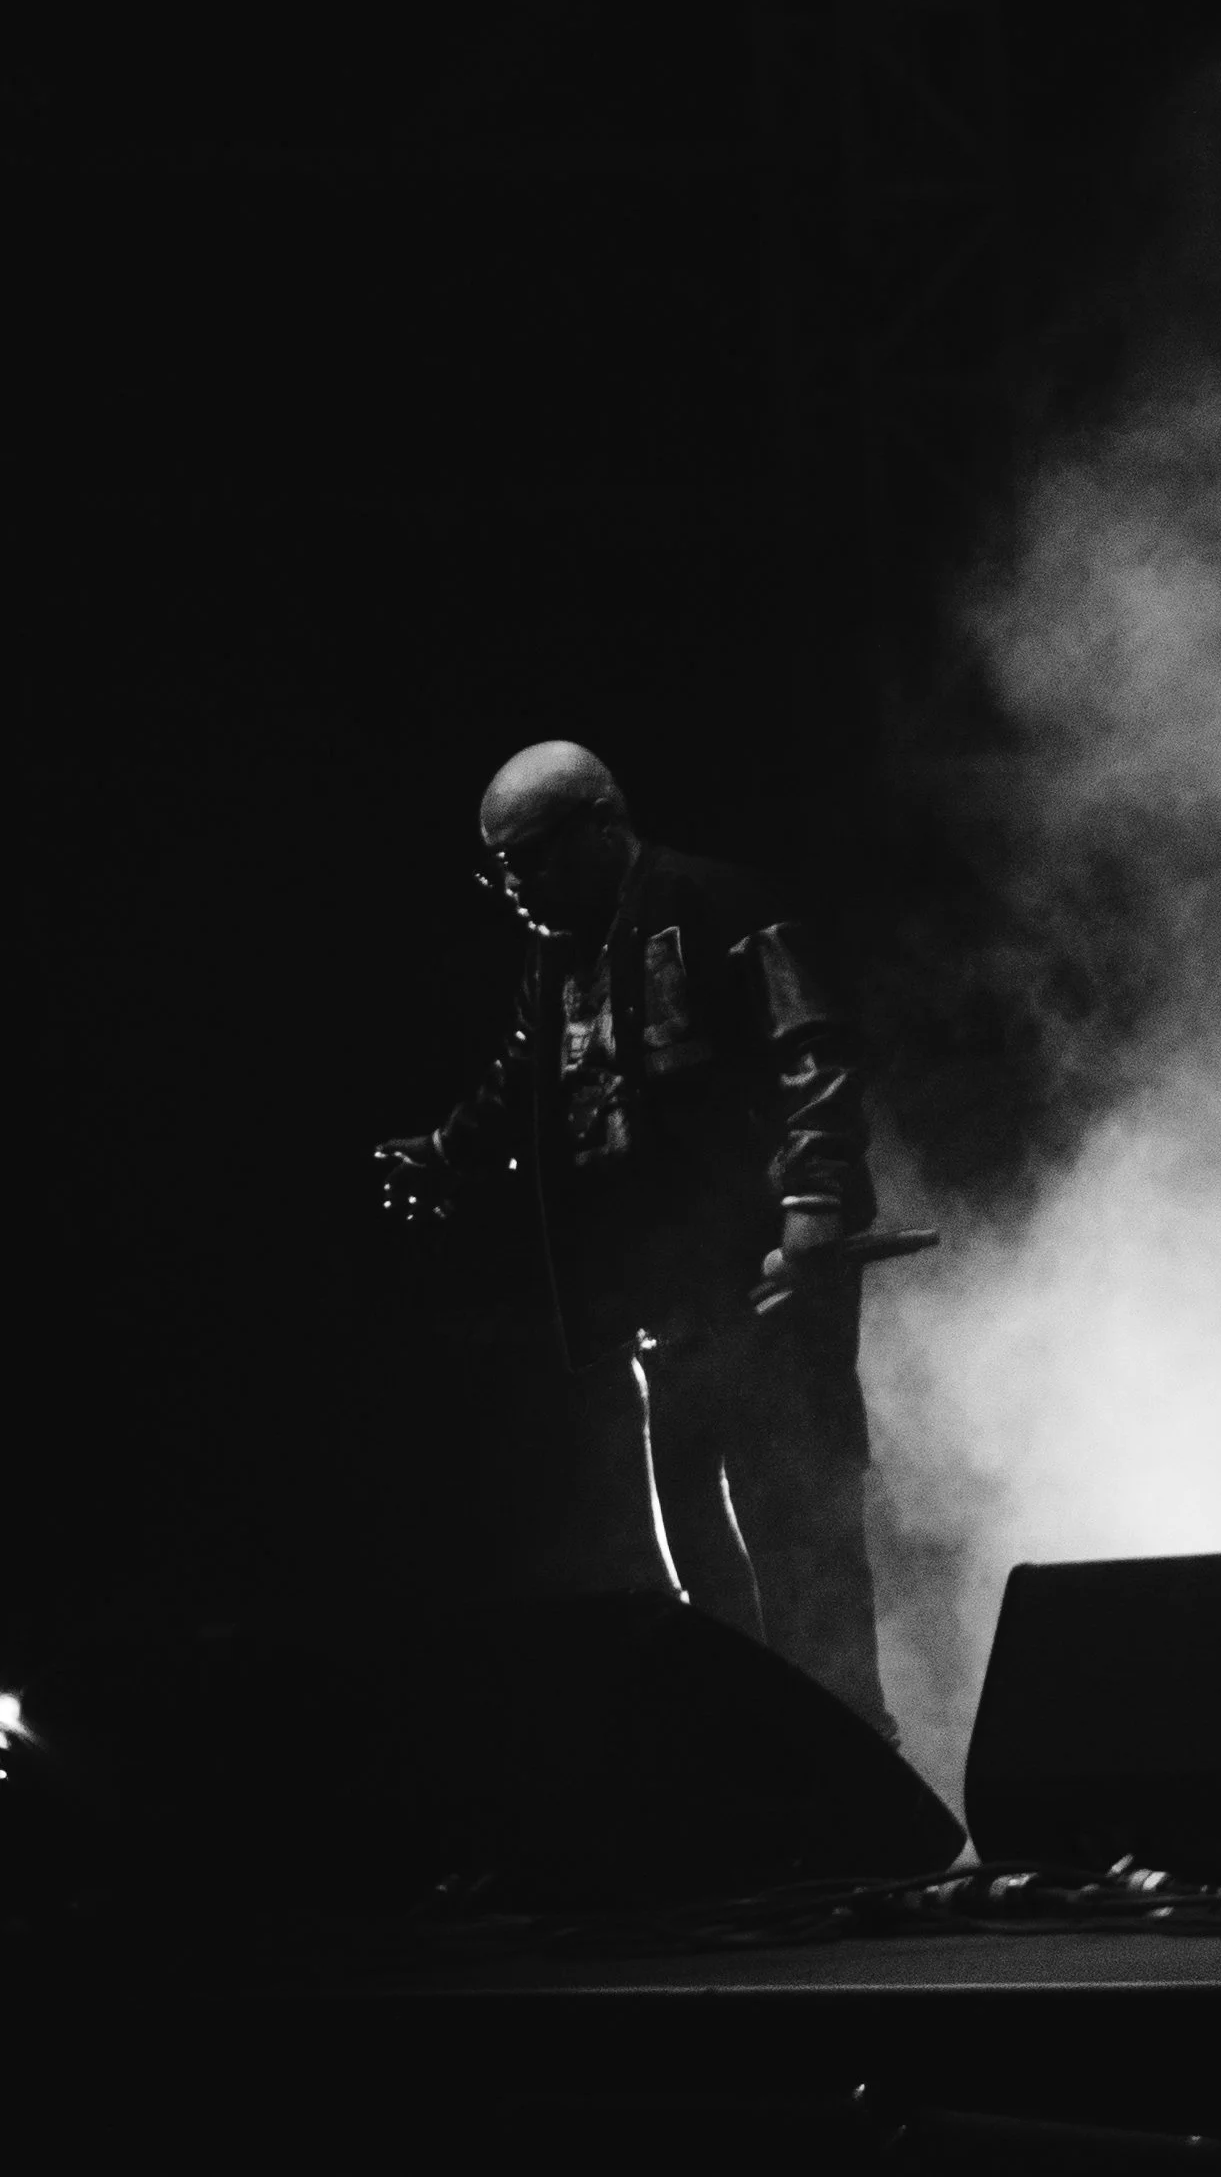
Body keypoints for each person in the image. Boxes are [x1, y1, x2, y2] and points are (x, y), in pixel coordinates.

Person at [375, 741, 892, 1735]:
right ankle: (764, 1768)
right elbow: (525, 1079)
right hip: (665, 1304)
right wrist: (442, 1149)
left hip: (764, 1284)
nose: (514, 885)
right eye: (501, 866)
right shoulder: (556, 957)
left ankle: (858, 1765)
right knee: (699, 1549)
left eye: (529, 856)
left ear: (604, 825)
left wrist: (815, 1203)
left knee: (798, 1531)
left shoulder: (722, 905)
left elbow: (811, 1050)